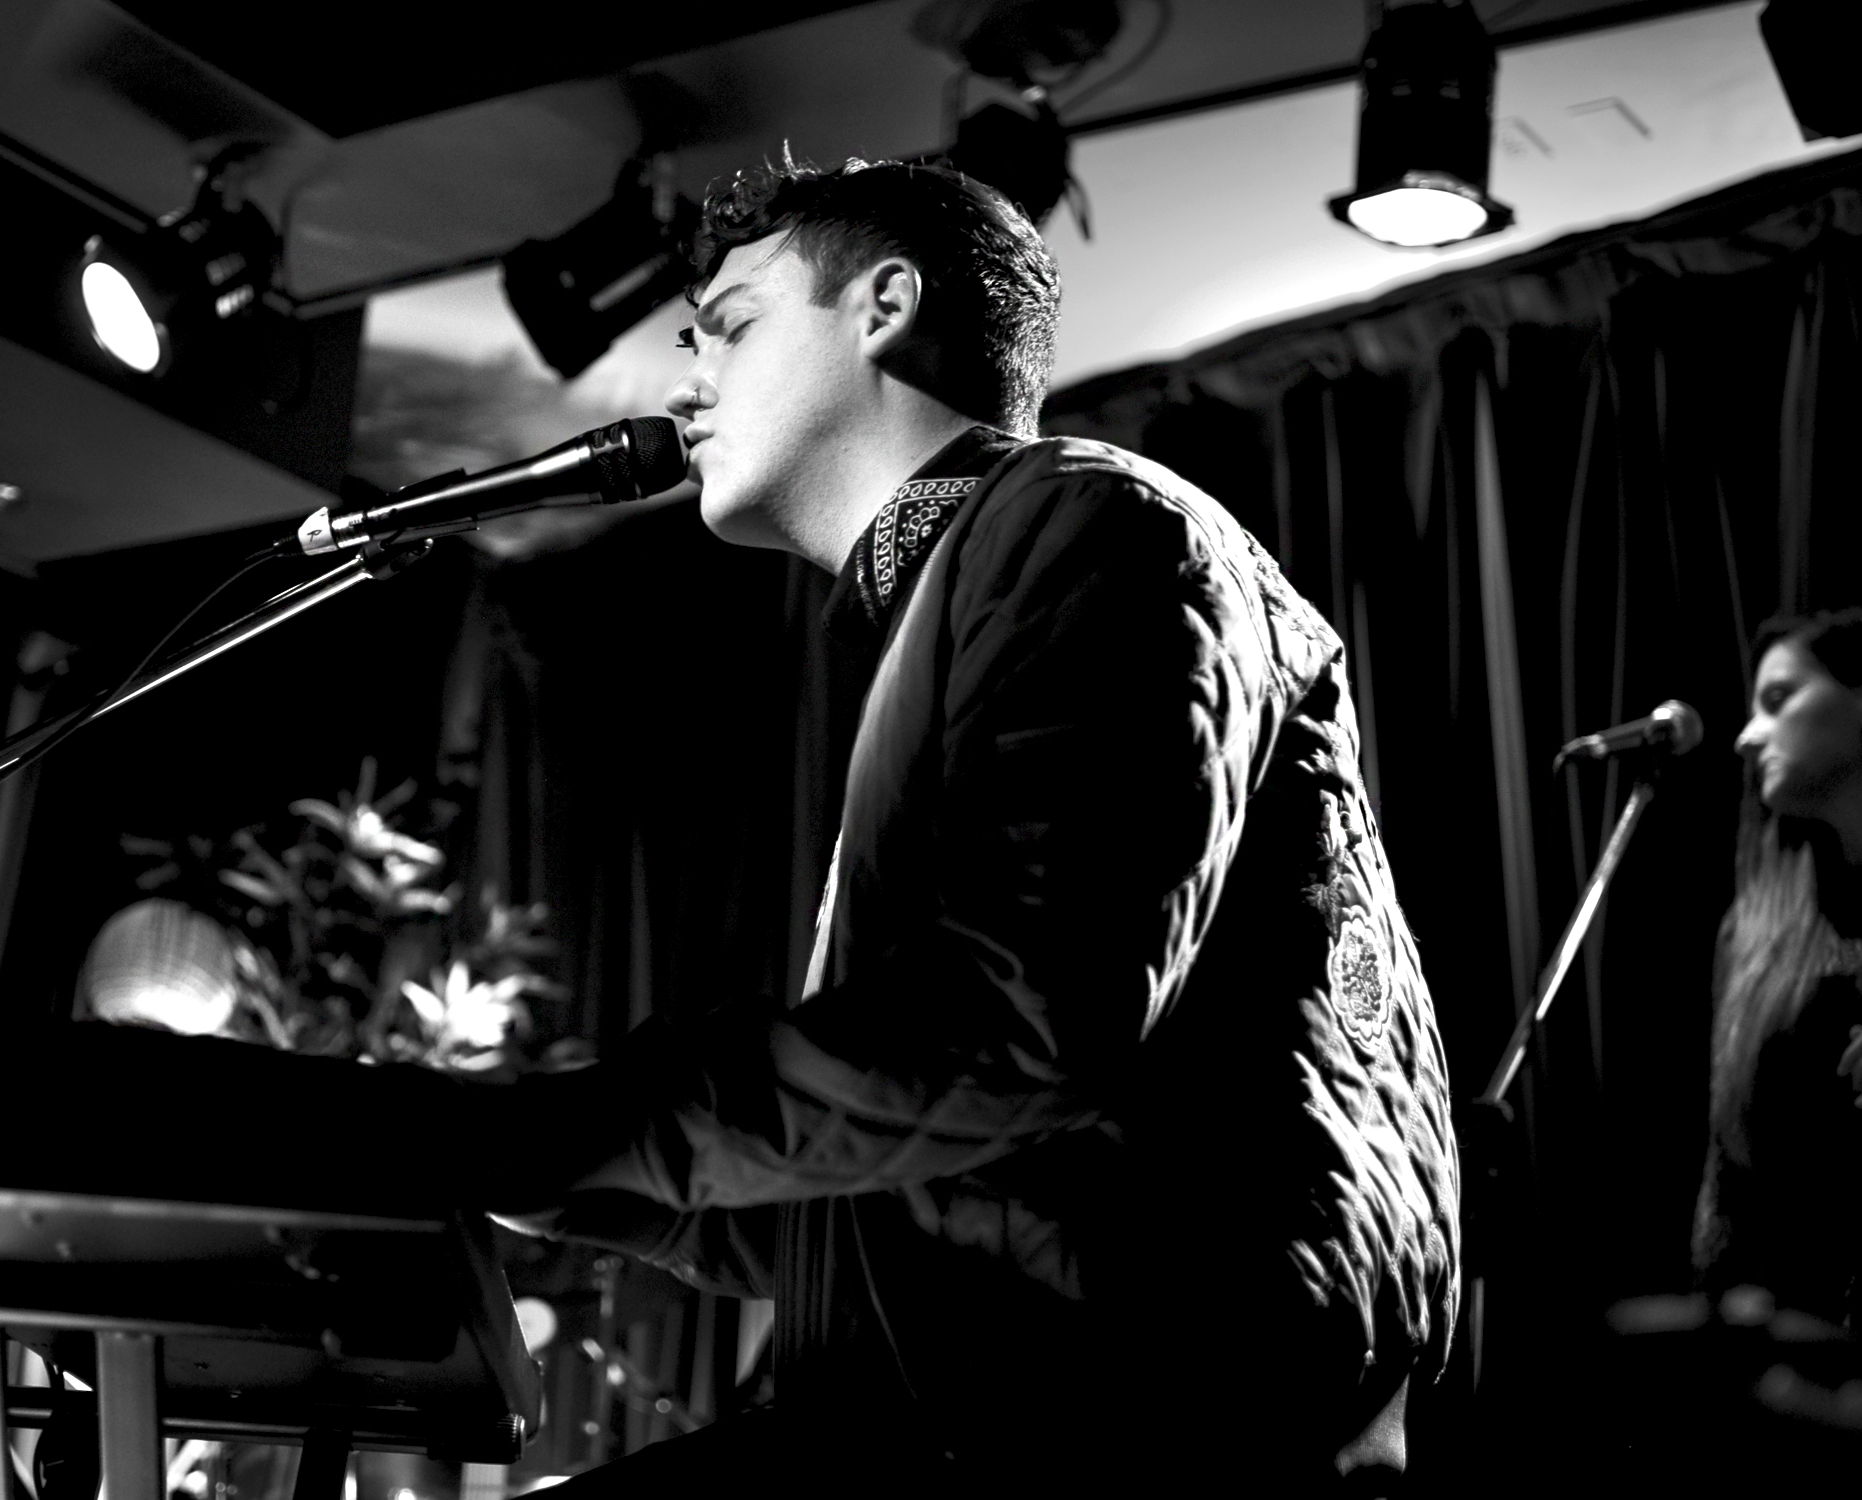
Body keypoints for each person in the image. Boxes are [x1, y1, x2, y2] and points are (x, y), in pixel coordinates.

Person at [480, 157, 1459, 1494]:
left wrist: (543, 1133)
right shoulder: (989, 570)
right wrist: (574, 1182)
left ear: (883, 305)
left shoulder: (1091, 521)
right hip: (1034, 1404)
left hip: (1119, 1428)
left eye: (731, 326)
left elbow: (1015, 1024)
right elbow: (941, 1173)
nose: (684, 386)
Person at [1696, 608, 1862, 1322]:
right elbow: (1727, 1166)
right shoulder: (1755, 928)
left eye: (1778, 699)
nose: (1746, 736)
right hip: (1790, 1330)